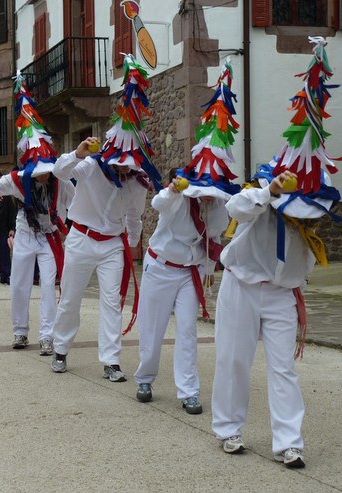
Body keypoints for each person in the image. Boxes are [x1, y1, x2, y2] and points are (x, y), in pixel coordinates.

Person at [49, 55, 160, 382]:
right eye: (120, 163)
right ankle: (60, 349)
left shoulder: (137, 181)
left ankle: (111, 361)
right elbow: (59, 171)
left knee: (113, 301)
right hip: (81, 239)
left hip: (112, 245)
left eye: (129, 163)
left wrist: (134, 244)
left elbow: (135, 216)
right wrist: (77, 152)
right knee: (70, 298)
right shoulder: (91, 166)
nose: (124, 168)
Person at [210, 169, 314, 467]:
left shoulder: (312, 196)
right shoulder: (259, 188)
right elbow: (235, 208)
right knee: (233, 359)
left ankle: (289, 443)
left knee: (283, 367)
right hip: (241, 284)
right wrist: (271, 192)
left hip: (282, 292)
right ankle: (228, 429)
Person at [134, 169, 228, 414]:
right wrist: (173, 190)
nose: (208, 196)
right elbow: (158, 203)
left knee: (187, 330)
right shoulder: (177, 198)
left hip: (190, 271)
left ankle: (189, 391)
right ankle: (145, 378)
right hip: (160, 267)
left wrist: (209, 270)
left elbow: (215, 237)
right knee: (152, 328)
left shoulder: (218, 205)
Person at [0, 168, 73, 354]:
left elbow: (77, 201)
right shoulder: (18, 180)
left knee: (48, 285)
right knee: (19, 284)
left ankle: (47, 336)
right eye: (40, 172)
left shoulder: (61, 182)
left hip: (49, 236)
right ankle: (20, 331)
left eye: (47, 171)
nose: (44, 175)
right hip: (25, 234)